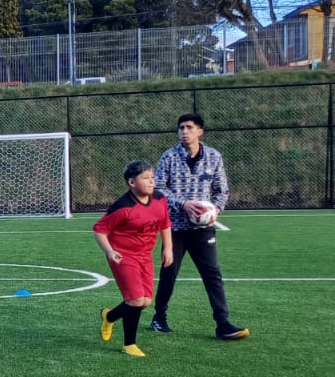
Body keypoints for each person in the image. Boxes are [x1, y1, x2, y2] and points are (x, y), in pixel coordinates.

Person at [151, 113, 249, 340]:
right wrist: (183, 204)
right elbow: (158, 190)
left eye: (189, 127)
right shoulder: (169, 157)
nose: (184, 131)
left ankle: (223, 324)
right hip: (174, 227)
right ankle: (159, 317)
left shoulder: (214, 157)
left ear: (200, 131)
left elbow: (221, 190)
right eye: (180, 128)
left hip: (203, 230)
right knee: (169, 273)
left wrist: (215, 210)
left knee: (212, 273)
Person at [92, 161, 173, 358]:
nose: (151, 181)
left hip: (145, 256)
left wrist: (168, 247)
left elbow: (165, 223)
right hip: (123, 256)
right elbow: (99, 230)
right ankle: (129, 344)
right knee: (136, 300)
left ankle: (109, 316)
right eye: (146, 178)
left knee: (145, 302)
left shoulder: (160, 199)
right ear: (131, 182)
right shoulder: (123, 207)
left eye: (152, 177)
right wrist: (110, 251)